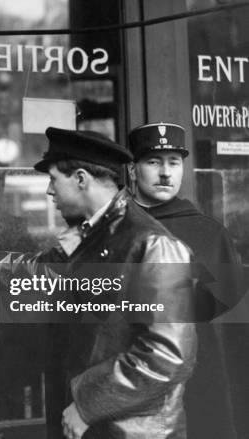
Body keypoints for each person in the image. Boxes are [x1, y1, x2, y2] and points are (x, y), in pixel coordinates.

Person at [0, 127, 197, 439]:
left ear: (80, 179)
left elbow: (167, 354)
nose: (50, 192)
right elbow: (45, 271)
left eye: (54, 179)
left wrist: (87, 405)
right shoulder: (90, 231)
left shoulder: (154, 245)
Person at [128, 122, 249, 439]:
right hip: (127, 384)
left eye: (174, 162)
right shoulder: (114, 230)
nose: (165, 173)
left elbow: (229, 322)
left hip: (199, 383)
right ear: (132, 168)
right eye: (154, 162)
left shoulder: (210, 235)